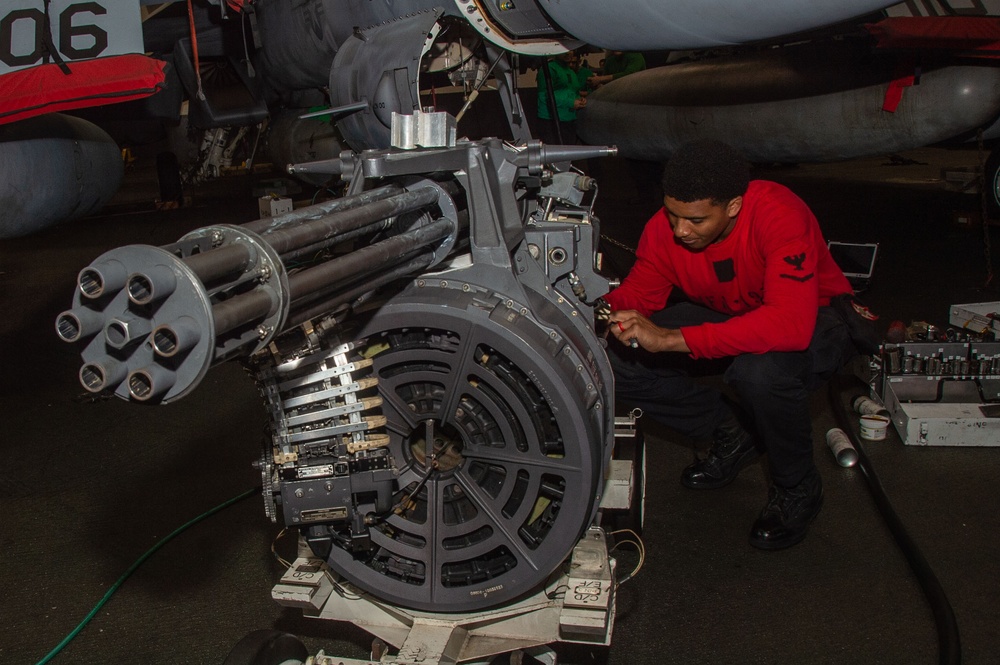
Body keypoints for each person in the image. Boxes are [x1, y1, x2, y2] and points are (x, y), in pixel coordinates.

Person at [603, 139, 857, 550]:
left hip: (816, 318)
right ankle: (731, 432)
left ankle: (798, 489)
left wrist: (672, 339)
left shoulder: (779, 214)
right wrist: (574, 309)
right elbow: (637, 296)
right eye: (672, 214)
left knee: (760, 375)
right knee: (616, 354)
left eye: (696, 220)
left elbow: (788, 324)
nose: (680, 230)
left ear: (734, 206)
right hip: (734, 314)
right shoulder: (665, 229)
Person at [536, 50, 588, 145]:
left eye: (571, 50)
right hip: (551, 121)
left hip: (569, 120)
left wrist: (579, 99)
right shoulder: (548, 69)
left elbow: (573, 92)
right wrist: (571, 102)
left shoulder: (571, 72)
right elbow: (543, 96)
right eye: (564, 50)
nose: (568, 53)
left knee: (568, 156)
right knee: (554, 156)